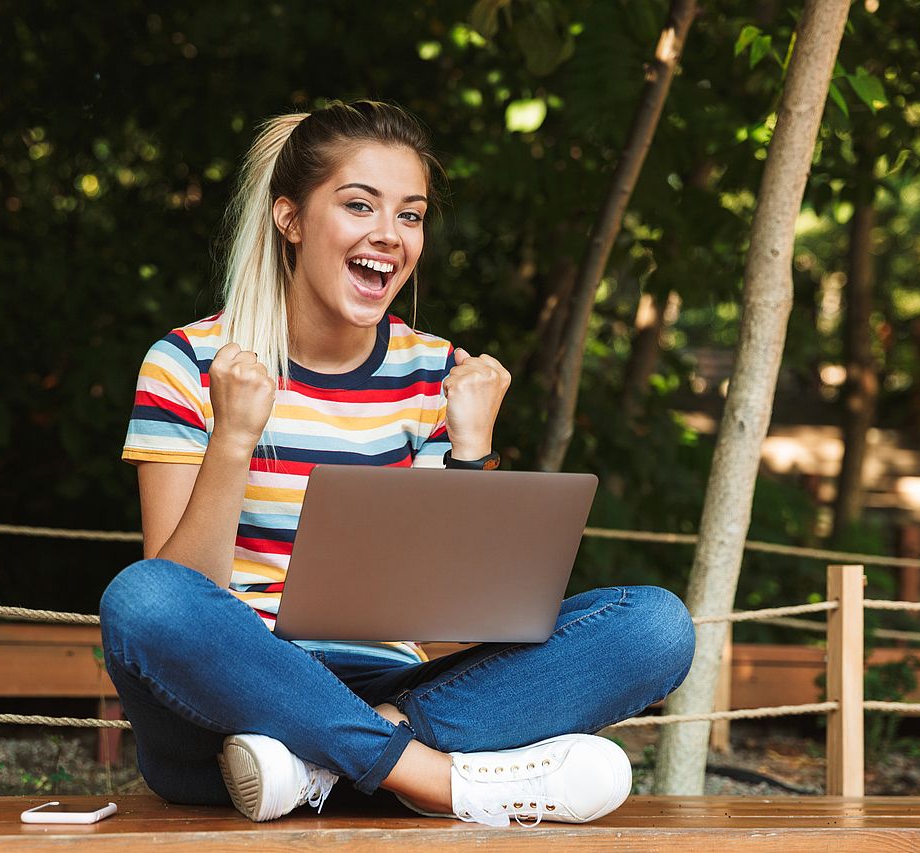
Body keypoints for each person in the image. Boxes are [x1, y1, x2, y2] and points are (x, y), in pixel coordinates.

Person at [100, 100, 695, 828]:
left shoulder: (435, 374)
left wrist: (472, 456)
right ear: (290, 219)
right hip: (228, 710)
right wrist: (233, 440)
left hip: (386, 688)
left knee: (657, 625)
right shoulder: (189, 362)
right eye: (359, 205)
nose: (389, 234)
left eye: (410, 215)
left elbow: (454, 635)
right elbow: (182, 594)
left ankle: (323, 765)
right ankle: (439, 779)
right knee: (144, 599)